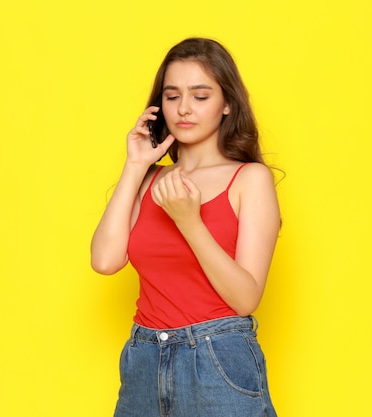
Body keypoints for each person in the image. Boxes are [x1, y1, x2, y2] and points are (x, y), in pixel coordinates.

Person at [91, 37, 280, 417]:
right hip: (144, 358)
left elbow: (245, 299)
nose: (184, 108)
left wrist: (190, 222)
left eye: (200, 95)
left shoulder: (248, 179)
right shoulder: (149, 179)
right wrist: (135, 166)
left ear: (227, 104)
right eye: (172, 96)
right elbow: (106, 261)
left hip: (218, 359)